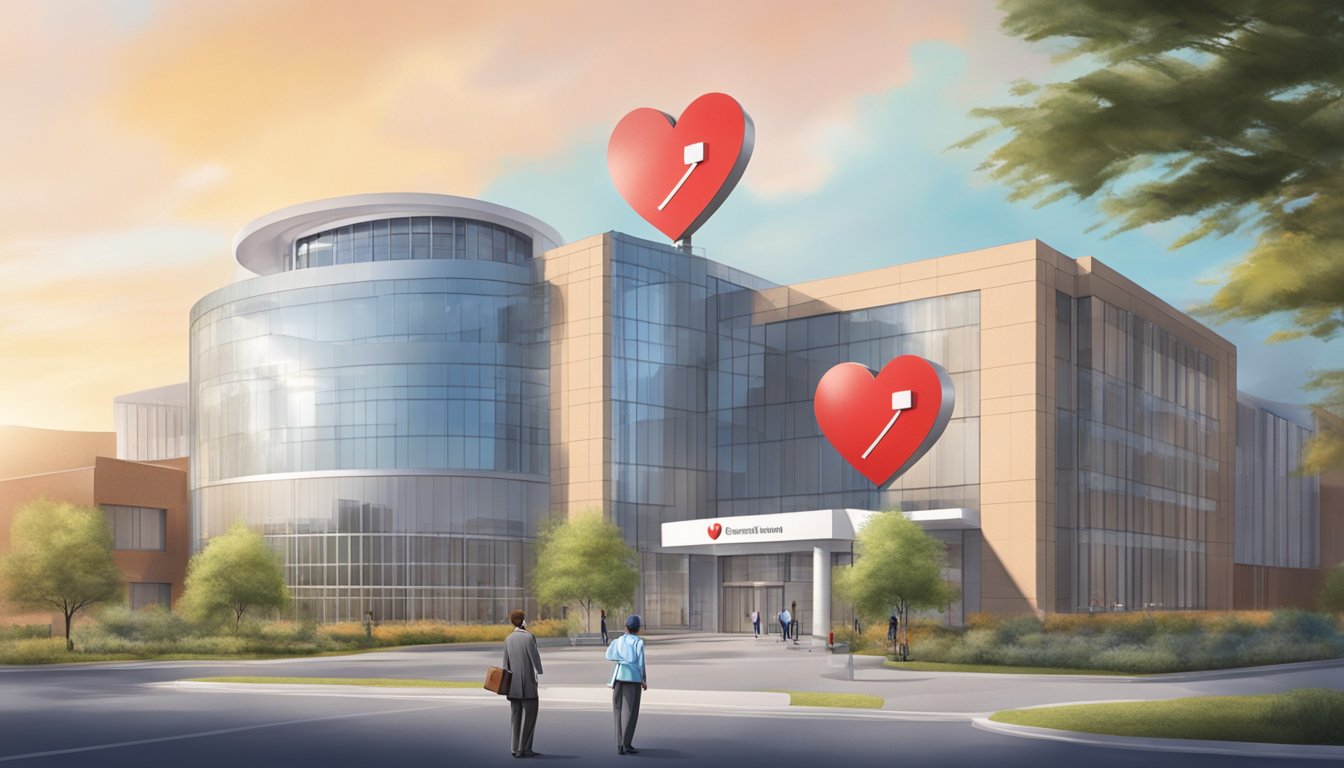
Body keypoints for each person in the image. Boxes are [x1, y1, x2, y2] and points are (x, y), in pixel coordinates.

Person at [502, 609, 543, 758]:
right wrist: (539, 671)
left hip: (513, 685)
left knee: (515, 717)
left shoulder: (508, 639)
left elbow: (505, 664)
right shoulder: (529, 637)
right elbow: (535, 658)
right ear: (524, 621)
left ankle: (514, 748)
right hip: (528, 684)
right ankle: (524, 749)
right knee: (530, 716)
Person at [606, 614, 647, 755]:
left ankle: (619, 744)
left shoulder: (618, 641)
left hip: (618, 678)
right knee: (630, 713)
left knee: (618, 710)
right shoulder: (638, 642)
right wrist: (644, 680)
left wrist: (621, 658)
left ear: (626, 627)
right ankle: (626, 744)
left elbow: (608, 655)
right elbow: (641, 663)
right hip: (633, 679)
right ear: (638, 629)